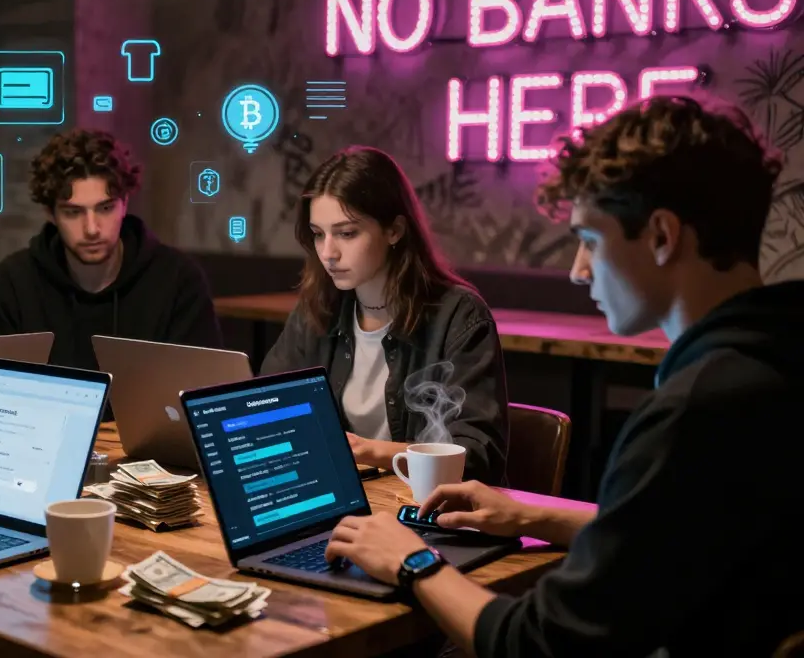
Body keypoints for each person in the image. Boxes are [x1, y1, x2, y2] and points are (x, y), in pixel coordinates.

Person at [323, 97, 804, 656]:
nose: (578, 270)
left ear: (662, 236)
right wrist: (532, 513)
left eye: (591, 242)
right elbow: (679, 532)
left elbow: (538, 644)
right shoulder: (774, 366)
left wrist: (411, 562)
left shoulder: (696, 411)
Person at [261, 146, 508, 485]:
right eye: (318, 234)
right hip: (349, 502)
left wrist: (364, 451)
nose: (328, 253)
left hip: (432, 513)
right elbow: (267, 411)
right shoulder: (318, 309)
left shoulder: (459, 316)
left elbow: (477, 455)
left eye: (347, 233)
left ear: (395, 230)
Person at [0, 127, 222, 371]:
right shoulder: (15, 282)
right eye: (73, 212)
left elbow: (201, 390)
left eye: (105, 208)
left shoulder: (177, 280)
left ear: (124, 204)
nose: (92, 228)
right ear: (50, 214)